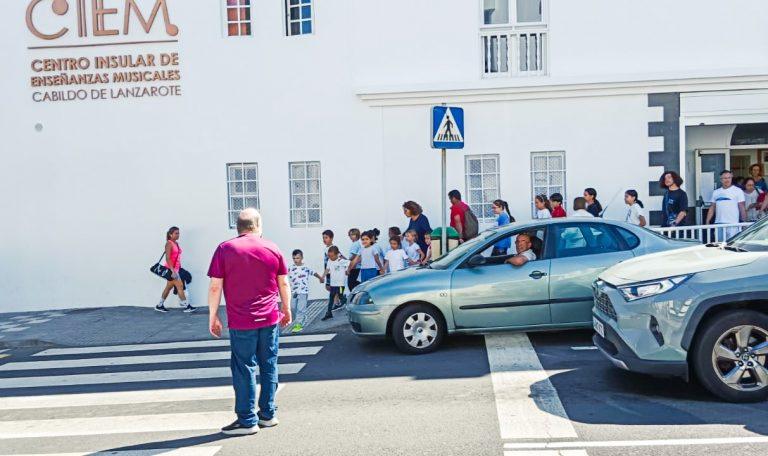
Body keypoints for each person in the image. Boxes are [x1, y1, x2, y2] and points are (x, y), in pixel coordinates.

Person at [207, 208, 292, 435]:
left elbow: (215, 286)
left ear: (239, 227)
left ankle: (247, 420)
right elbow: (283, 283)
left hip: (241, 321)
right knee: (269, 364)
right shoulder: (272, 248)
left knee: (244, 368)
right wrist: (287, 308)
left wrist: (213, 315)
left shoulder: (225, 249)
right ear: (258, 226)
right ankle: (268, 414)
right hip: (270, 319)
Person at [156, 226, 195, 313]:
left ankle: (159, 305)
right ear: (170, 234)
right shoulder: (169, 243)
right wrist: (173, 271)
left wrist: (178, 268)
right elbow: (168, 258)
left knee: (168, 287)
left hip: (176, 269)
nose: (178, 235)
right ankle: (186, 306)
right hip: (171, 269)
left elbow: (176, 257)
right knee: (180, 286)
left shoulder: (176, 243)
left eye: (178, 233)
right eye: (176, 233)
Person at [287, 249, 324, 333]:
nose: (296, 260)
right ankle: (303, 318)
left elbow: (314, 273)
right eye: (294, 258)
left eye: (298, 258)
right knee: (293, 307)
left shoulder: (306, 267)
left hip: (303, 292)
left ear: (302, 258)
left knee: (301, 308)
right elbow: (283, 275)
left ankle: (298, 325)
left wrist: (320, 278)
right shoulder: (290, 268)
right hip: (293, 292)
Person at [706, 170, 747, 240]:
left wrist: (744, 222)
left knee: (731, 244)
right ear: (721, 179)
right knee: (718, 244)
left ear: (731, 178)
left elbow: (742, 208)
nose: (727, 180)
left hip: (733, 223)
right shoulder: (716, 192)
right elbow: (712, 207)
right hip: (718, 223)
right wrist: (707, 221)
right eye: (724, 178)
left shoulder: (738, 191)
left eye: (729, 178)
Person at [321, 246, 349, 321]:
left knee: (340, 296)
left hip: (340, 284)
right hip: (333, 284)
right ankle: (328, 313)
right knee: (331, 299)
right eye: (329, 256)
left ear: (337, 254)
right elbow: (327, 269)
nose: (330, 257)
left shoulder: (341, 261)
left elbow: (350, 263)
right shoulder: (329, 261)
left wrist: (347, 270)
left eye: (332, 256)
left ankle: (348, 303)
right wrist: (322, 277)